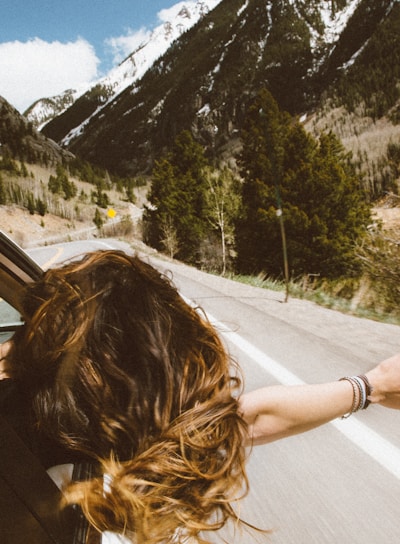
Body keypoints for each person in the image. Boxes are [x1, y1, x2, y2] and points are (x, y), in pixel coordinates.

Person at [1, 249, 400, 543]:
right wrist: (372, 387)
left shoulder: (45, 438)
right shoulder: (95, 480)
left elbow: (246, 419)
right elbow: (243, 422)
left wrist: (374, 385)